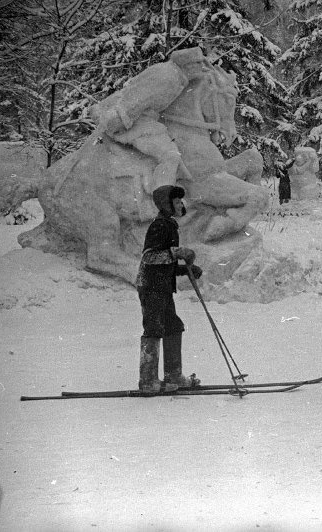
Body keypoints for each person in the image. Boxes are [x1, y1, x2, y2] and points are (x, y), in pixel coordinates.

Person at [90, 47, 212, 193]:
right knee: (170, 155)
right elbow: (137, 99)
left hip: (141, 119)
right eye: (198, 64)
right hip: (129, 120)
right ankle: (161, 198)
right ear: (187, 65)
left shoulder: (177, 76)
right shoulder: (168, 77)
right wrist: (118, 119)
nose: (200, 68)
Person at [134, 185, 203, 393]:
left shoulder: (170, 224)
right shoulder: (159, 226)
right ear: (167, 204)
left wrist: (185, 270)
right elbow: (149, 257)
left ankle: (173, 375)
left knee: (173, 325)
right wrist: (178, 252)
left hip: (161, 286)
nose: (181, 205)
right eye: (176, 201)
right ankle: (148, 380)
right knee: (154, 328)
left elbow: (164, 263)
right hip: (150, 286)